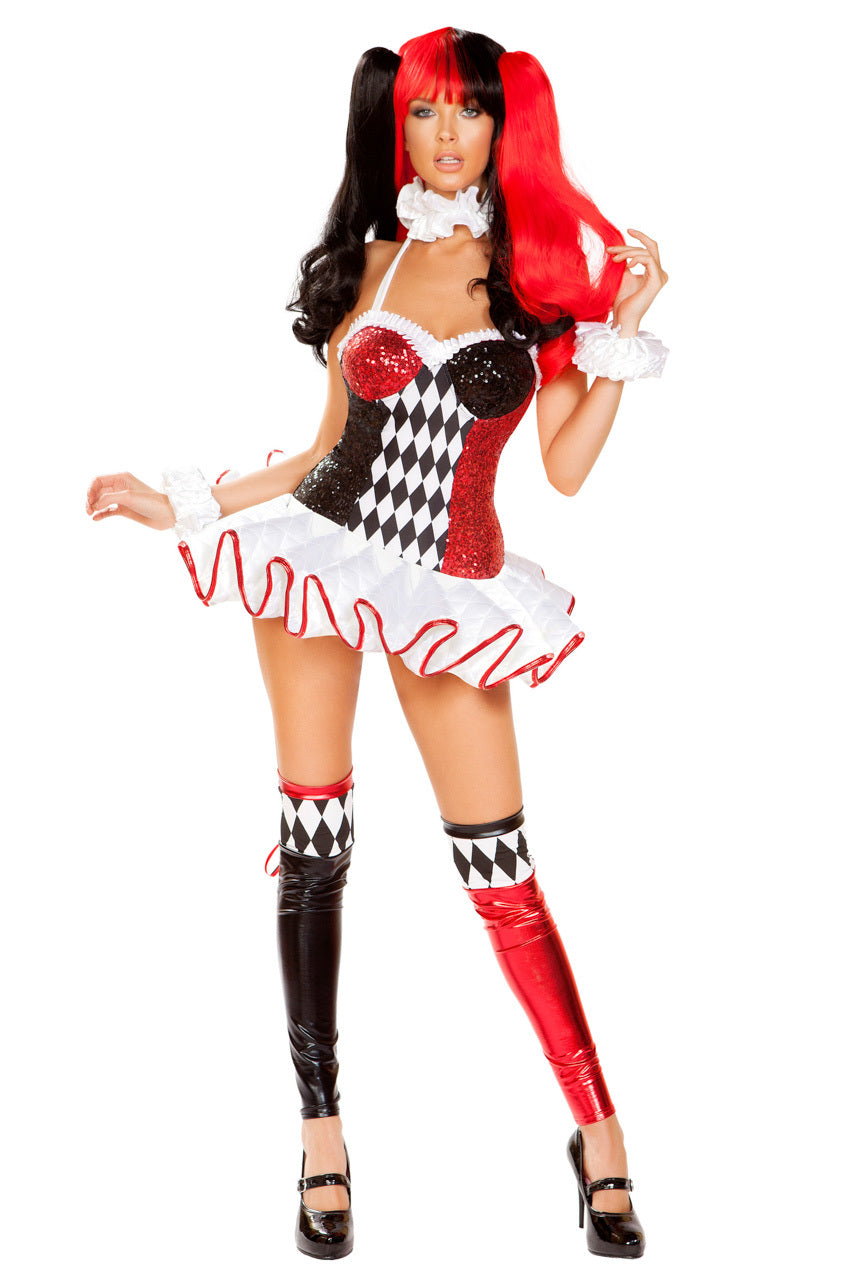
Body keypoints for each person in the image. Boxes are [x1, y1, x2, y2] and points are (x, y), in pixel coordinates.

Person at [86, 25, 668, 1262]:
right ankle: (322, 1132)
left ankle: (598, 1130)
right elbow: (317, 453)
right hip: (319, 563)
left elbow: (565, 469)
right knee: (315, 846)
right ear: (397, 126)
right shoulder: (369, 263)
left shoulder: (536, 282)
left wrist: (618, 332)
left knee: (501, 870)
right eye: (422, 111)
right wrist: (178, 501)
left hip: (451, 589)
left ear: (504, 128)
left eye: (467, 111)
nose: (444, 134)